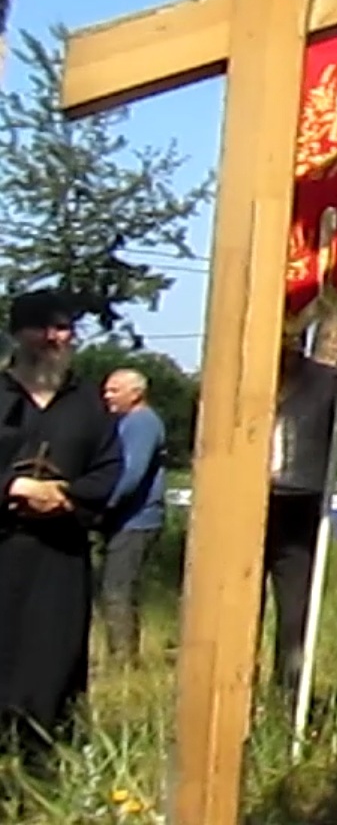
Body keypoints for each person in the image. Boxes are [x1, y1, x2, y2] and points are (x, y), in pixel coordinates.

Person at [0, 291, 123, 760]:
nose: (55, 338)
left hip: (60, 555)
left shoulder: (87, 403)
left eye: (64, 328)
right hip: (3, 544)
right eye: (43, 328)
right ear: (18, 333)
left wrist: (65, 497)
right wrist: (15, 488)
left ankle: (45, 762)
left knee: (53, 660)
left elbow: (109, 469)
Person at [264, 333, 337, 696]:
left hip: (299, 499)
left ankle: (289, 692)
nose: (287, 345)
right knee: (238, 606)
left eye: (293, 337)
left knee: (295, 608)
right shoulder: (244, 377)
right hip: (246, 500)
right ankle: (236, 692)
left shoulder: (326, 382)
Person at [97, 368, 168, 663]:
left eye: (114, 390)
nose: (106, 396)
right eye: (106, 390)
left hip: (136, 519)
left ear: (136, 393)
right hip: (126, 519)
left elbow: (131, 473)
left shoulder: (141, 423)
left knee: (117, 590)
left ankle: (123, 662)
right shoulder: (129, 422)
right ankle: (121, 657)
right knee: (116, 588)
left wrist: (101, 505)